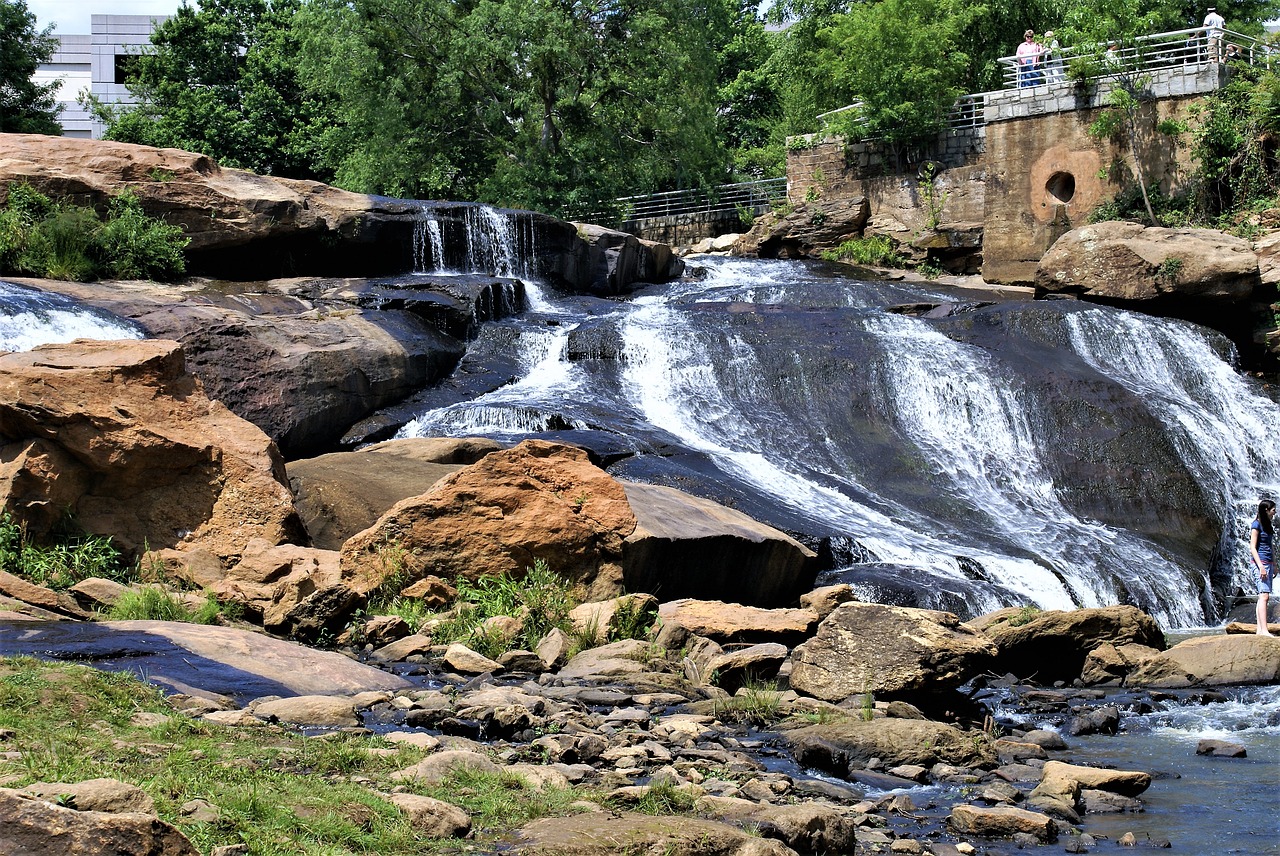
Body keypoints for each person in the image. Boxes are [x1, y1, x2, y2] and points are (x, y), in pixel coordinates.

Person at [1249, 499, 1275, 635]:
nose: (1274, 512)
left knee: (1263, 596)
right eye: (1273, 510)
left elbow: (1270, 546)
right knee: (1264, 596)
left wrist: (1274, 565)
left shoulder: (1267, 525)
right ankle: (1264, 630)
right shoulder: (1256, 524)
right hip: (1260, 563)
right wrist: (1261, 567)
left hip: (1269, 563)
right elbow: (1252, 547)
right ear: (1266, 510)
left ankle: (1260, 629)